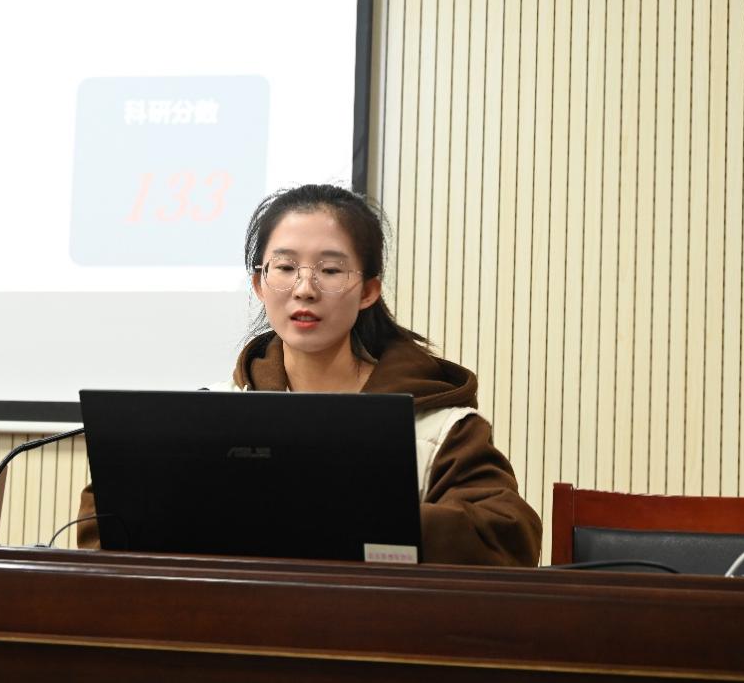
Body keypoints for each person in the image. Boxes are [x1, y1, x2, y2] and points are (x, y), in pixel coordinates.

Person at [77, 184, 541, 565]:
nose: (304, 288)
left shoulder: (441, 427)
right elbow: (106, 525)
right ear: (259, 284)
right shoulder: (209, 415)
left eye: (330, 270)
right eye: (284, 267)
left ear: (369, 291)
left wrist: (348, 519)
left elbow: (506, 538)